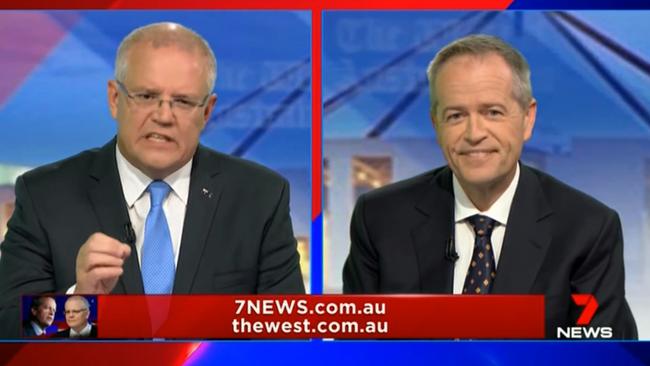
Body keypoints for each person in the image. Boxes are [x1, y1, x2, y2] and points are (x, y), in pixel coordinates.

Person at [0, 22, 304, 338]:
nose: (163, 115)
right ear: (115, 99)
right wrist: (78, 301)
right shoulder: (45, 196)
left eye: (183, 101)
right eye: (147, 96)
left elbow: (289, 335)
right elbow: (8, 331)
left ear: (207, 111)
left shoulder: (259, 197)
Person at [342, 34, 637, 338]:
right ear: (436, 125)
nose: (474, 133)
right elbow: (355, 350)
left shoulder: (587, 229)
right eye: (456, 116)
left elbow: (607, 354)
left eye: (492, 112)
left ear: (527, 118)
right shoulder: (379, 218)